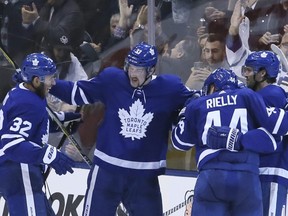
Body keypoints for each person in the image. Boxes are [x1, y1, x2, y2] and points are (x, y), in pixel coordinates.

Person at [49, 41, 196, 215]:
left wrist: (181, 115)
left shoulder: (170, 88)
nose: (132, 73)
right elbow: (76, 92)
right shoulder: (112, 79)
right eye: (130, 67)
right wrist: (47, 82)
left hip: (145, 177)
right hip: (107, 171)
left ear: (151, 70)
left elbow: (196, 101)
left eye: (138, 69)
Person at [171, 67, 288, 216]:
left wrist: (183, 113)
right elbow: (274, 137)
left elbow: (179, 142)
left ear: (212, 87)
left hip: (211, 177)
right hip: (247, 177)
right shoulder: (248, 96)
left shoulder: (198, 104)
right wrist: (240, 140)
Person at [209, 51, 288, 216]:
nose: (245, 75)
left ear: (262, 73)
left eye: (249, 70)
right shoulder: (260, 95)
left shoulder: (271, 94)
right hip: (259, 170)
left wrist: (238, 139)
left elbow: (277, 133)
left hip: (271, 170)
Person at [0, 53, 75, 215]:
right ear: (36, 80)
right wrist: (49, 155)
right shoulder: (28, 102)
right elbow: (12, 143)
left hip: (18, 167)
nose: (53, 82)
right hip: (18, 168)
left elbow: (35, 123)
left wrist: (65, 119)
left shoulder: (26, 92)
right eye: (50, 78)